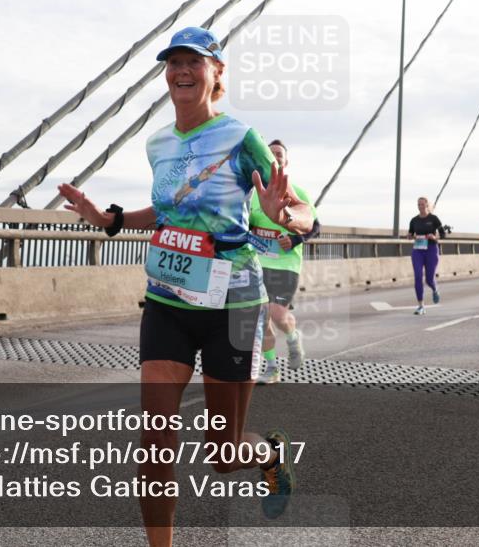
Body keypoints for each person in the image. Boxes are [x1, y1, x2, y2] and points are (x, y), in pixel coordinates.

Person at [58, 27, 313, 545]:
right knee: (154, 440)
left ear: (216, 72)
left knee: (223, 453)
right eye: (173, 62)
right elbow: (168, 211)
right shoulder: (157, 143)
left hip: (235, 304)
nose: (181, 70)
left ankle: (268, 454)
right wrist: (108, 219)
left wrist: (285, 216)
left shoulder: (241, 136)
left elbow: (298, 212)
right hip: (168, 300)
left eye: (194, 61)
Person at [250, 140, 320, 385]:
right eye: (271, 153)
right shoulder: (253, 194)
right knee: (260, 318)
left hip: (285, 265)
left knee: (277, 314)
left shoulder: (297, 193)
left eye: (280, 154)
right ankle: (271, 368)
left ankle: (292, 337)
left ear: (286, 162)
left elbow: (315, 226)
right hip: (256, 263)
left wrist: (295, 238)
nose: (275, 156)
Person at [407, 196, 446, 315]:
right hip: (418, 250)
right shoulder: (414, 220)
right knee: (418, 277)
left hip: (431, 250)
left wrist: (434, 237)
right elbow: (410, 233)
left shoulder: (434, 219)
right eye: (418, 205)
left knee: (429, 279)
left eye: (422, 204)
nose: (420, 207)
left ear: (427, 206)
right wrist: (409, 236)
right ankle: (421, 306)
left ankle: (435, 289)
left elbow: (443, 235)